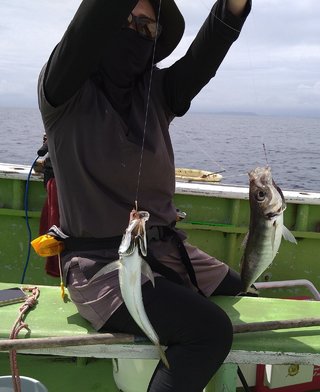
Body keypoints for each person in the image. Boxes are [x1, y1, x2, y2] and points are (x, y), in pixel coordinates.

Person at [38, 0, 251, 391]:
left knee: (243, 292)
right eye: (124, 20)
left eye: (146, 27)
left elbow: (207, 52)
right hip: (98, 266)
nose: (134, 31)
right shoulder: (61, 91)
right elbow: (89, 25)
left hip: (165, 250)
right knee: (209, 330)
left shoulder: (159, 94)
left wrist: (234, 6)